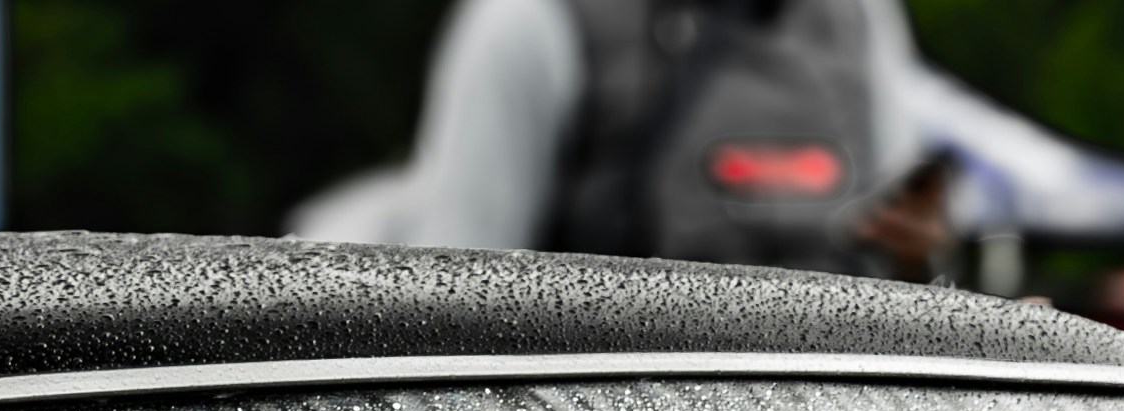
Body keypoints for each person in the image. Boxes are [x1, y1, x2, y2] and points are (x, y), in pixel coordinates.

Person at [392, 0, 953, 274]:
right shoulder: (532, 20)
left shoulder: (858, 20)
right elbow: (453, 291)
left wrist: (914, 248)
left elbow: (901, 249)